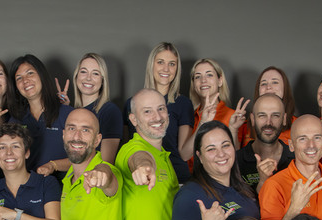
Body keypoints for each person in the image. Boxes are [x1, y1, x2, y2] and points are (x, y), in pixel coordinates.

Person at [116, 89, 180, 220]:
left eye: (161, 109)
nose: (157, 117)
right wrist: (143, 167)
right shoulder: (131, 148)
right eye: (147, 111)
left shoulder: (164, 156)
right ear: (134, 119)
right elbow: (139, 157)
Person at [259, 114, 322, 220]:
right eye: (303, 139)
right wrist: (294, 209)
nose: (311, 145)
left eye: (317, 138)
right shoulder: (274, 185)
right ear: (291, 145)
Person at [127, 42, 193, 182]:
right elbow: (127, 147)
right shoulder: (132, 104)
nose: (166, 69)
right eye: (160, 62)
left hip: (177, 177)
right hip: (142, 177)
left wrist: (204, 122)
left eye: (172, 64)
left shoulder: (183, 103)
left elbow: (185, 154)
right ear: (152, 65)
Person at [11, 54, 71, 175]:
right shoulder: (15, 120)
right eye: (19, 78)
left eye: (30, 73)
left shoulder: (67, 114)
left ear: (41, 75)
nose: (25, 80)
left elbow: (85, 158)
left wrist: (53, 165)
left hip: (63, 185)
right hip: (28, 185)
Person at [181, 59, 247, 156]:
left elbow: (235, 158)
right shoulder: (187, 117)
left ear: (220, 81)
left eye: (209, 75)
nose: (203, 80)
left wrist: (234, 129)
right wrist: (202, 123)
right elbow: (184, 156)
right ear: (194, 84)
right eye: (198, 76)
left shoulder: (233, 117)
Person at [67, 53, 122, 164]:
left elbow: (106, 163)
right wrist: (63, 109)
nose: (88, 78)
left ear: (102, 80)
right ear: (76, 76)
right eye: (83, 72)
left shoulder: (110, 111)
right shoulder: (71, 112)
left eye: (95, 73)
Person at [233, 94, 292, 192]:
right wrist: (263, 181)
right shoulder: (236, 161)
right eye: (262, 116)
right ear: (252, 119)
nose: (268, 123)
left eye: (275, 116)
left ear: (284, 119)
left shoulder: (296, 159)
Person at [251, 66, 296, 144]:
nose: (268, 87)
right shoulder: (244, 126)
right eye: (263, 83)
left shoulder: (297, 124)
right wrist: (234, 130)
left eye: (275, 82)